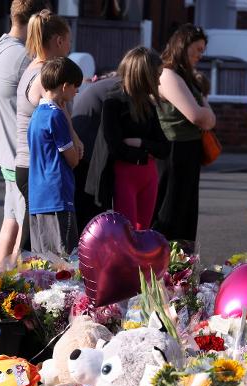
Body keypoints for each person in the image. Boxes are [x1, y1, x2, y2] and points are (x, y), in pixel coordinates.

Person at [0, 0, 49, 268]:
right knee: (23, 222)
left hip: (2, 147)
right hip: (20, 152)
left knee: (11, 216)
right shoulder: (26, 59)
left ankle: (1, 279)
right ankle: (14, 288)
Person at [16, 9, 82, 251]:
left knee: (34, 245)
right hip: (47, 175)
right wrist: (74, 142)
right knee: (58, 251)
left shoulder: (31, 68)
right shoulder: (45, 75)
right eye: (69, 42)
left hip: (31, 167)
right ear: (59, 41)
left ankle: (15, 284)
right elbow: (59, 112)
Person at [87, 47, 169, 230]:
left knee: (144, 230)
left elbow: (164, 148)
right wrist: (146, 151)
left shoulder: (148, 105)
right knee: (127, 231)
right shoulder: (114, 102)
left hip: (147, 174)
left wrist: (140, 143)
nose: (158, 81)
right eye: (156, 75)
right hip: (125, 175)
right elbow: (115, 147)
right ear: (143, 74)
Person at [153, 24, 216, 242]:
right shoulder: (168, 74)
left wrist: (206, 114)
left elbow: (206, 115)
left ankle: (181, 267)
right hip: (174, 150)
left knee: (186, 213)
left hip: (188, 150)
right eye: (197, 49)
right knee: (171, 211)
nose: (200, 55)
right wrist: (206, 114)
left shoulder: (186, 78)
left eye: (202, 50)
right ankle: (163, 264)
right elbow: (198, 116)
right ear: (183, 45)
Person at [27, 57, 83, 255]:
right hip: (57, 196)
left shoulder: (36, 114)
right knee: (64, 262)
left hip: (37, 197)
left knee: (41, 262)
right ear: (65, 85)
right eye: (76, 87)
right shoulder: (56, 115)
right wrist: (76, 144)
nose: (77, 91)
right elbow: (73, 159)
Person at [72, 70, 118, 229]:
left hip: (83, 146)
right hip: (86, 151)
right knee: (89, 210)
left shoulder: (111, 84)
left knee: (85, 208)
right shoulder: (119, 88)